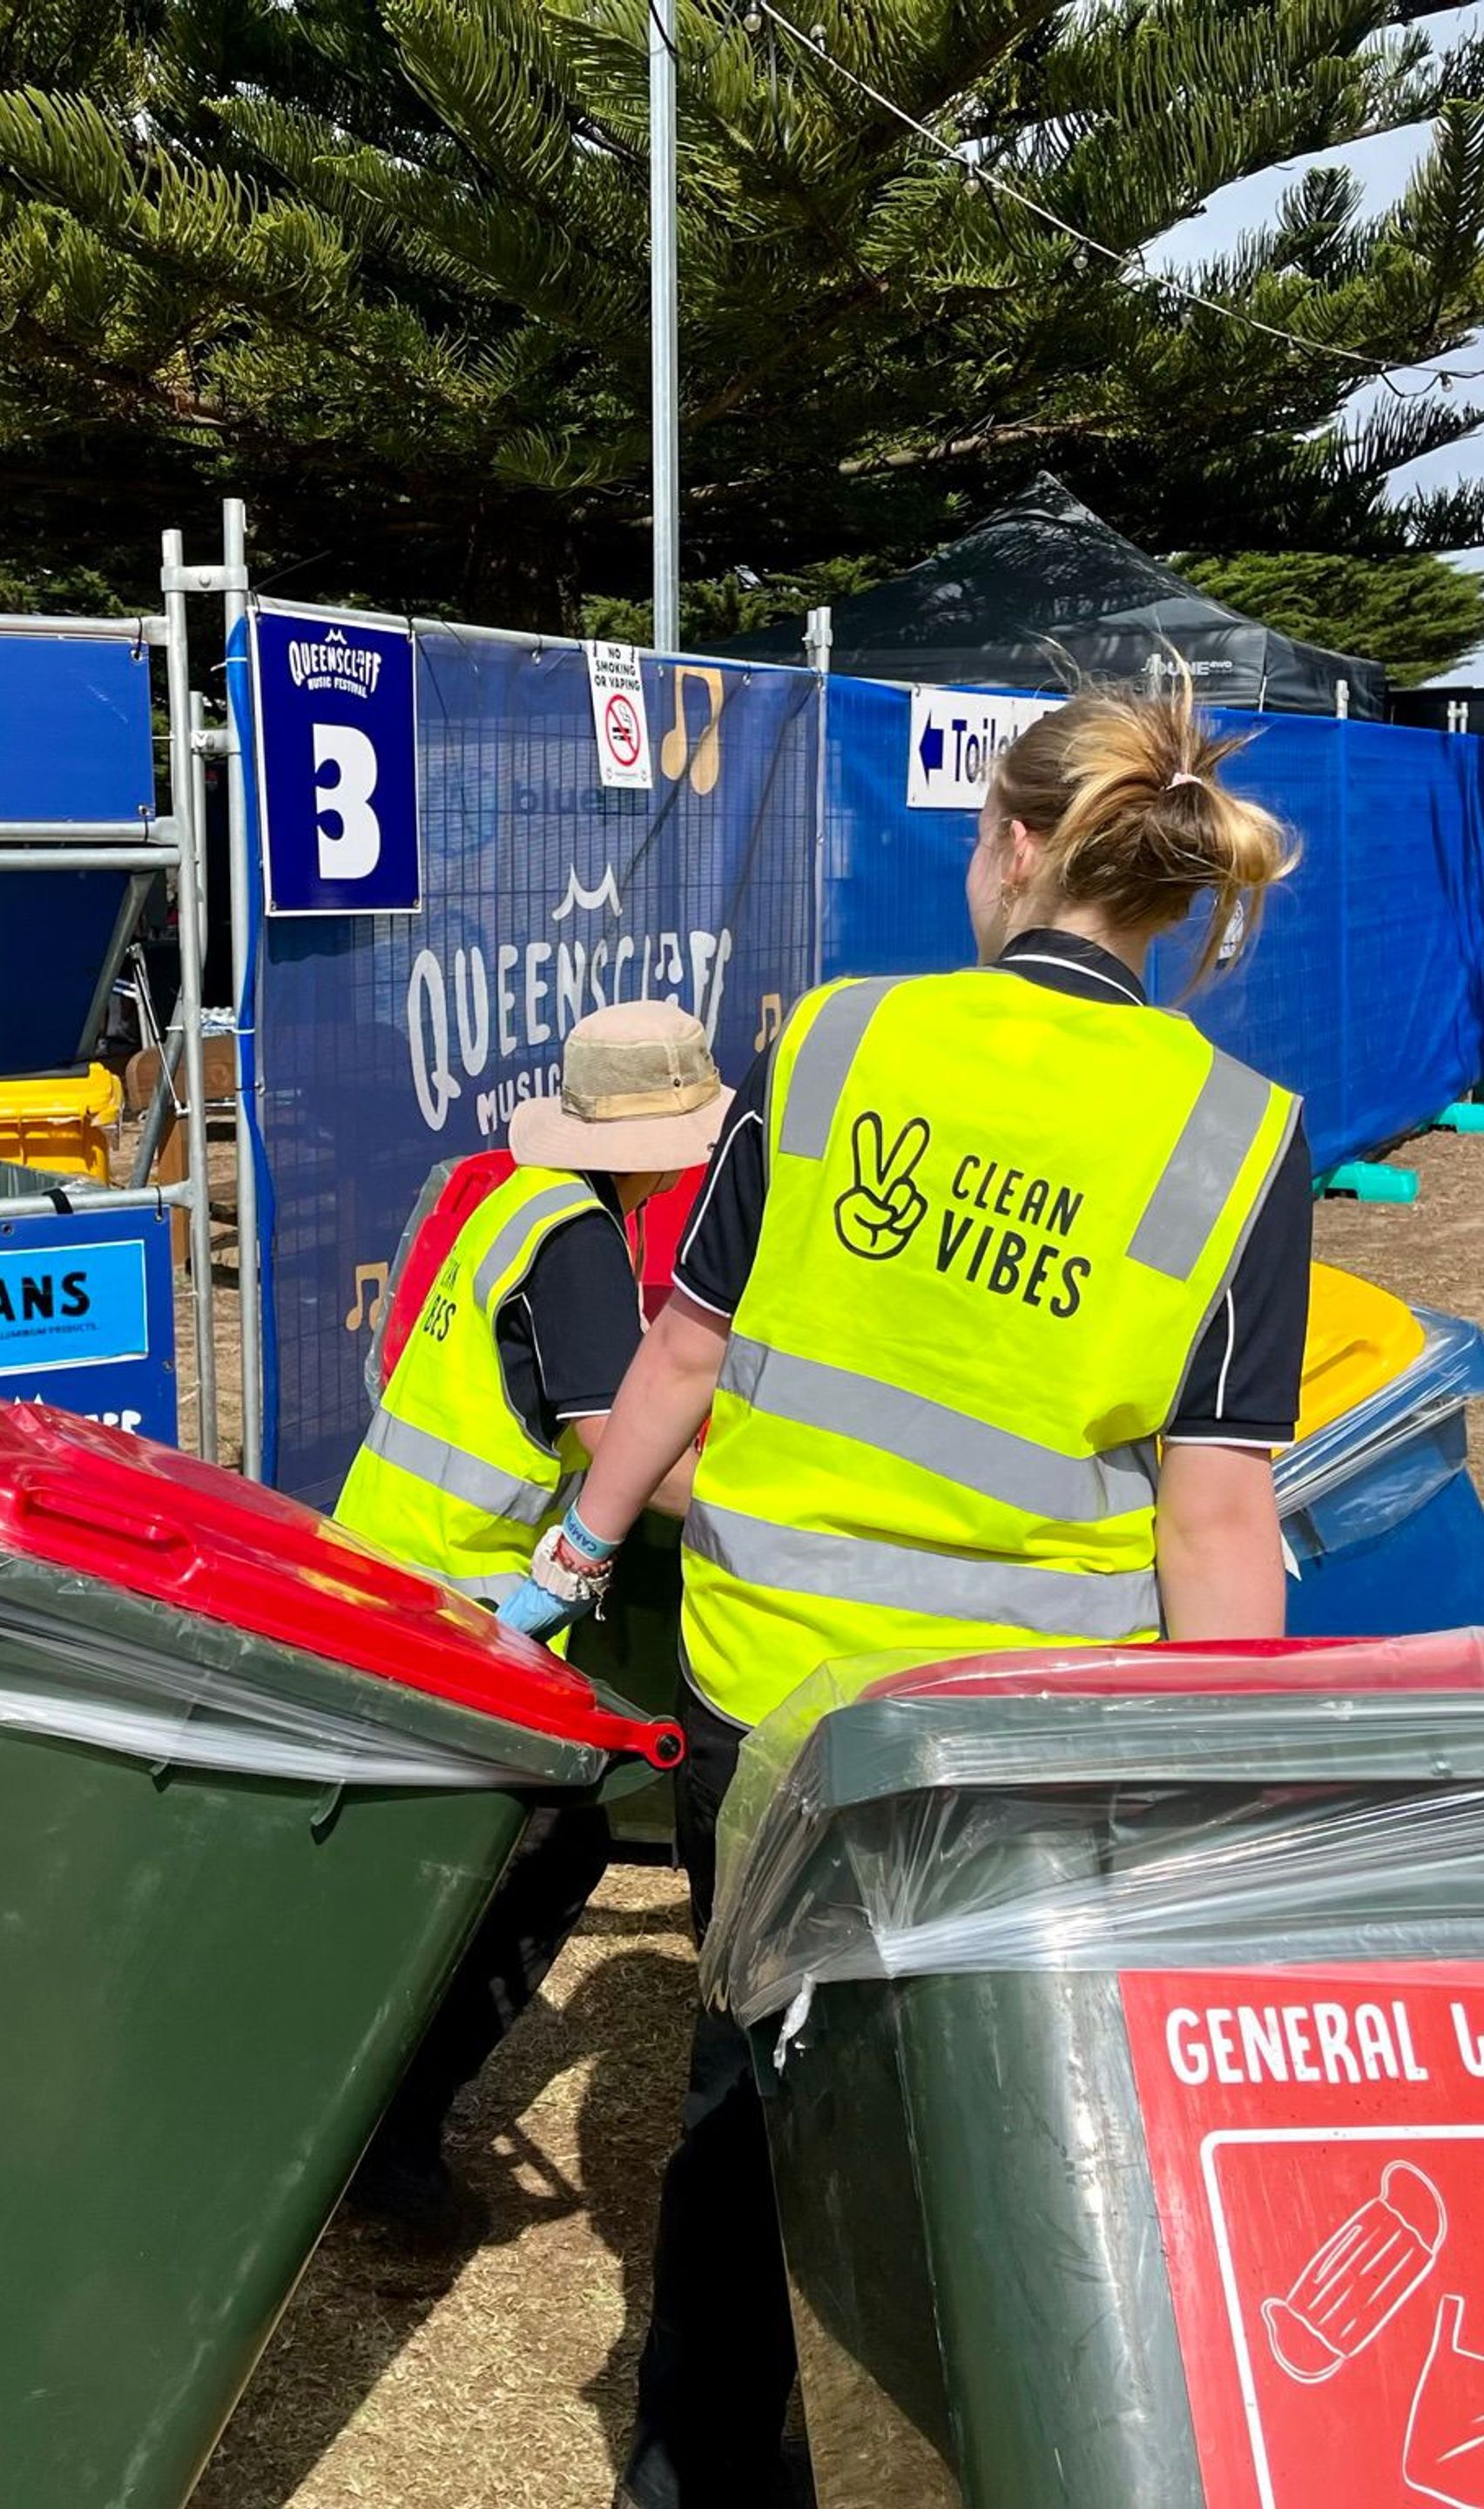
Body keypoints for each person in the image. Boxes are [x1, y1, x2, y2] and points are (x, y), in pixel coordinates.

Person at [501, 686, 1316, 2507]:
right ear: (1169, 890)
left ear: (1013, 845)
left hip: (767, 1700)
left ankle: (696, 2472)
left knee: (750, 2090)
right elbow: (1215, 1513)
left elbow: (685, 1355)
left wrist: (567, 1561)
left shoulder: (839, 1042)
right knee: (1004, 2101)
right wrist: (1222, 1796)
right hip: (1023, 1739)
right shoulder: (1239, 1132)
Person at [330, 999, 731, 2232]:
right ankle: (386, 2145)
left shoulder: (515, 1200)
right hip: (453, 1602)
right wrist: (774, 1503)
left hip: (392, 1566)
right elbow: (636, 1459)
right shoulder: (578, 1244)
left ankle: (370, 2122)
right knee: (556, 1848)